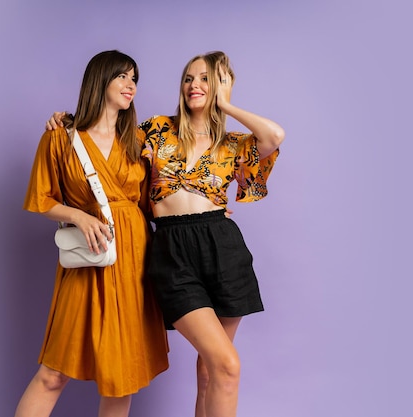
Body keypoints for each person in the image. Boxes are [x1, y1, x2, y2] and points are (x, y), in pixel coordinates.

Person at [47, 51, 285, 417]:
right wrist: (67, 121)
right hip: (171, 248)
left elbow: (274, 135)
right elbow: (105, 136)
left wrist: (226, 105)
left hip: (223, 246)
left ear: (222, 85)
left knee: (211, 369)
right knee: (226, 363)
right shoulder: (156, 128)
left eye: (205, 78)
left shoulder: (234, 142)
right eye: (188, 78)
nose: (194, 85)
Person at [17, 50, 168, 417]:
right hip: (87, 255)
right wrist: (79, 217)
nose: (130, 85)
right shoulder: (59, 137)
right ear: (99, 80)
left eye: (134, 78)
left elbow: (156, 199)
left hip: (133, 260)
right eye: (122, 76)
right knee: (53, 373)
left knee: (122, 375)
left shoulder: (138, 140)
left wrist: (206, 205)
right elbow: (41, 199)